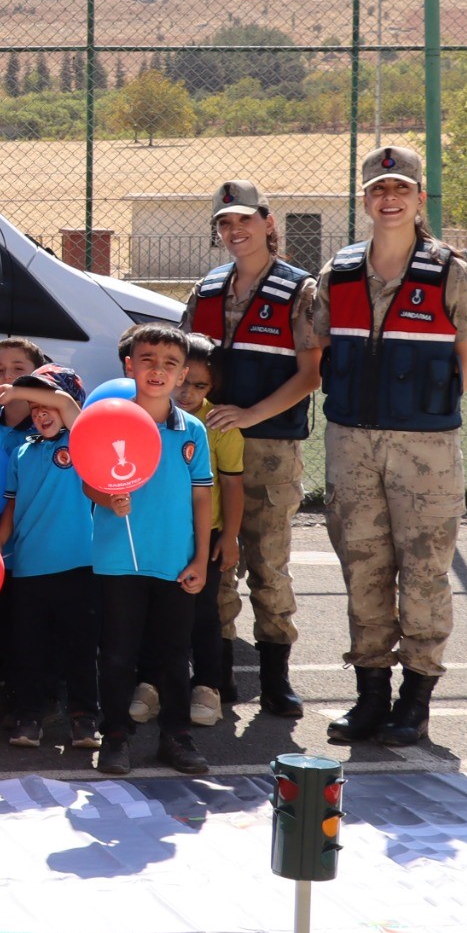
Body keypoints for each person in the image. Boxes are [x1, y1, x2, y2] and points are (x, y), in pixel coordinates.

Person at [301, 147, 467, 749]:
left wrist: (421, 412)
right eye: (379, 190)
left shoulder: (450, 273)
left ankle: (416, 699)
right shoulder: (340, 272)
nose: (389, 199)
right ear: (365, 201)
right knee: (363, 566)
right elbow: (318, 349)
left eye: (401, 189)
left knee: (426, 569)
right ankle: (370, 694)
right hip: (351, 442)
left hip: (424, 448)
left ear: (419, 199)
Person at [182, 178, 322, 719]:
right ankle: (217, 675)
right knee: (215, 555)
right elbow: (186, 367)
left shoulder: (299, 290)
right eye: (225, 222)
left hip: (270, 447)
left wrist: (250, 415)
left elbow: (310, 374)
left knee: (268, 563)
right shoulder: (208, 290)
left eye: (244, 219)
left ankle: (275, 677)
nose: (235, 230)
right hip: (211, 447)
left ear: (268, 223)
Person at [88, 324, 217, 778]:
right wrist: (108, 498)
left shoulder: (193, 431)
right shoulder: (110, 417)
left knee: (173, 654)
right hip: (118, 561)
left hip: (175, 562)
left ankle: (176, 736)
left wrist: (201, 559)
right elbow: (89, 481)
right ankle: (116, 736)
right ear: (129, 365)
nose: (157, 371)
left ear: (183, 374)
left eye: (169, 364)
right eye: (147, 361)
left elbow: (203, 495)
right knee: (119, 654)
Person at [0, 366, 95, 750]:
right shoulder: (21, 453)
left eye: (45, 404)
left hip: (79, 567)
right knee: (28, 650)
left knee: (79, 649)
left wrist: (14, 391)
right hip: (28, 569)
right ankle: (29, 717)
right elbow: (10, 514)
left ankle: (84, 720)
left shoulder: (82, 441)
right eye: (33, 406)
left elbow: (63, 401)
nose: (41, 412)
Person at [164, 337, 246, 729]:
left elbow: (232, 485)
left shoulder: (220, 426)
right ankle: (153, 685)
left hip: (207, 535)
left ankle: (208, 687)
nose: (189, 392)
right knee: (159, 613)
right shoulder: (149, 416)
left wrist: (228, 536)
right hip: (158, 533)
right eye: (185, 382)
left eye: (201, 386)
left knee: (204, 614)